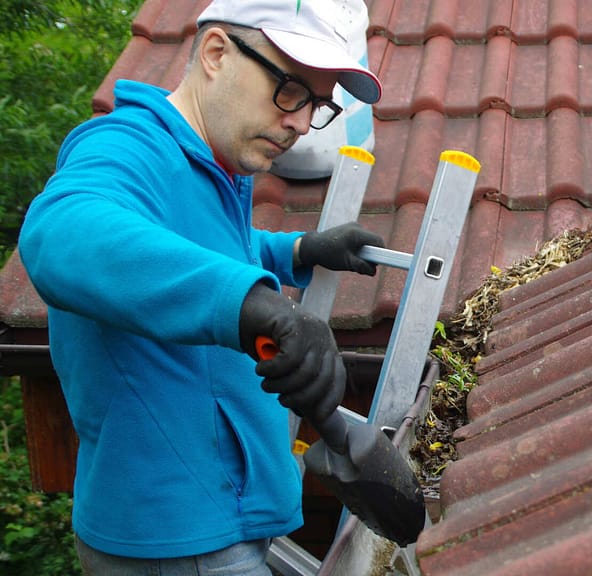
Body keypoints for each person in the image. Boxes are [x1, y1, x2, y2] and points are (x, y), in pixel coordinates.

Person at [17, 0, 384, 573]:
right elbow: (61, 231)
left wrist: (292, 251)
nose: (297, 121)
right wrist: (251, 303)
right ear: (216, 53)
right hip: (182, 539)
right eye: (289, 90)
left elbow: (202, 248)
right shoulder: (128, 149)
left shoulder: (213, 163)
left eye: (315, 105)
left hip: (220, 514)